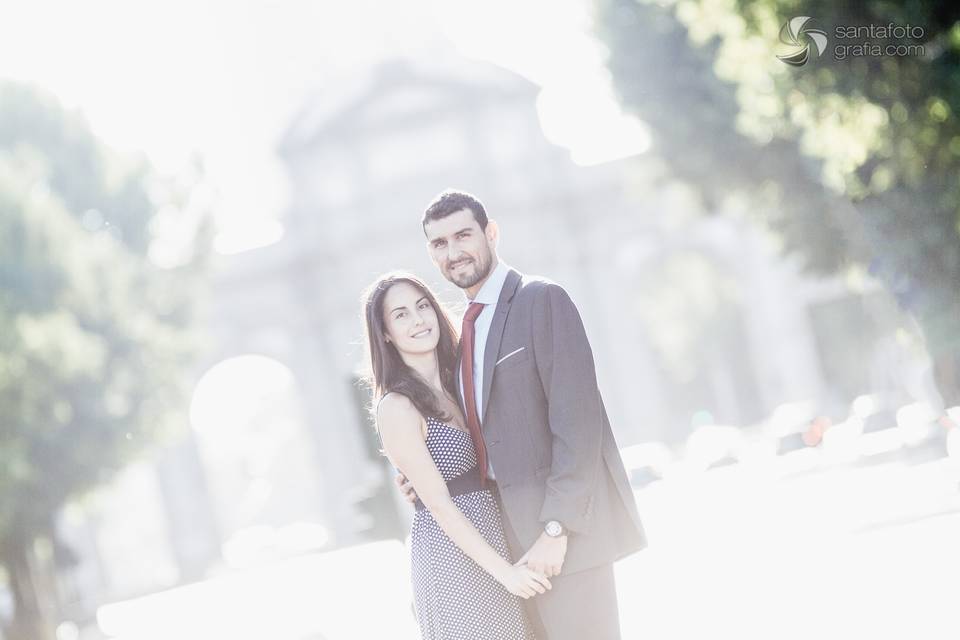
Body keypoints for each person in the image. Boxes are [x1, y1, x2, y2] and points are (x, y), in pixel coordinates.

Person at [398, 189, 648, 639]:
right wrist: (428, 476)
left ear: (491, 233)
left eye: (463, 235)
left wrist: (557, 527)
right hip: (505, 547)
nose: (454, 253)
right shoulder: (460, 337)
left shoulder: (541, 300)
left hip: (565, 541)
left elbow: (578, 425)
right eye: (439, 244)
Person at [362, 271, 545, 639]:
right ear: (384, 334)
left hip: (502, 537)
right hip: (455, 560)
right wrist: (505, 573)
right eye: (400, 315)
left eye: (422, 306)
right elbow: (441, 507)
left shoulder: (464, 381)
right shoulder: (397, 406)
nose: (418, 320)